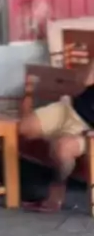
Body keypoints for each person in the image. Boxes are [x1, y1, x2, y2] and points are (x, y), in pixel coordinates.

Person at [21, 59, 94, 213]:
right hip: (69, 108)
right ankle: (58, 142)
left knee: (62, 148)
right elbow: (84, 81)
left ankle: (56, 194)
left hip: (88, 129)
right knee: (25, 128)